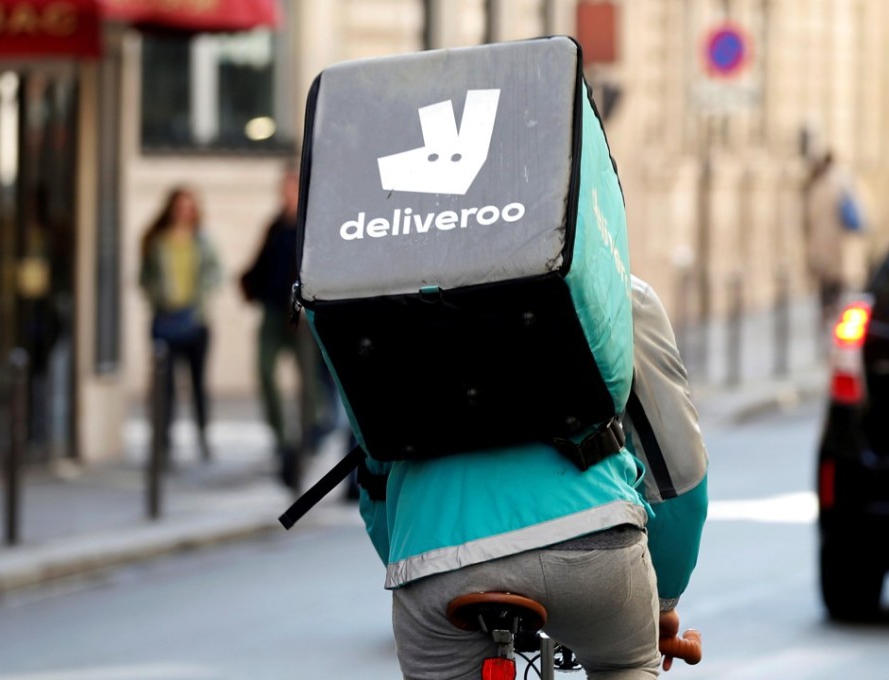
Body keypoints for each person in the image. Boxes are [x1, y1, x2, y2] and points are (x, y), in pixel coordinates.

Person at [356, 275, 709, 679]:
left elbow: (375, 482)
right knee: (624, 664)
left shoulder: (386, 296)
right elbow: (677, 472)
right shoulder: (614, 289)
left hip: (435, 557)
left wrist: (421, 571)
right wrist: (662, 602)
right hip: (594, 538)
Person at [240, 166, 331, 488]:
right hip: (271, 310)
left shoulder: (313, 227)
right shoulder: (276, 225)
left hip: (300, 316)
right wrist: (247, 284)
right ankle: (282, 439)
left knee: (309, 383)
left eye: (292, 188)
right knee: (265, 370)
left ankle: (307, 438)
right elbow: (261, 264)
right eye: (284, 188)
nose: (287, 194)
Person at [139, 186, 222, 461]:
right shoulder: (157, 241)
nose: (184, 212)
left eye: (189, 206)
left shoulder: (202, 241)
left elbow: (215, 273)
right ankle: (163, 441)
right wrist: (157, 298)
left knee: (198, 384)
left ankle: (202, 436)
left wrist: (198, 299)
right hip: (165, 320)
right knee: (165, 386)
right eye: (179, 206)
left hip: (195, 322)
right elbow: (145, 278)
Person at [805, 150, 868, 332]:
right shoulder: (844, 183)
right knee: (837, 279)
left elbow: (810, 217)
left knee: (825, 279)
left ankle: (826, 312)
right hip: (839, 242)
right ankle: (833, 312)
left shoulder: (817, 185)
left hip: (821, 242)